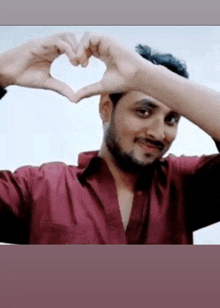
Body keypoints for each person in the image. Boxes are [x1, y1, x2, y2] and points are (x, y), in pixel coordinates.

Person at [0, 31, 219, 244]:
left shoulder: (186, 186)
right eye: (144, 111)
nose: (158, 132)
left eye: (171, 119)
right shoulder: (42, 189)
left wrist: (145, 75)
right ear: (106, 108)